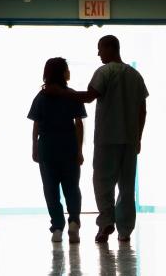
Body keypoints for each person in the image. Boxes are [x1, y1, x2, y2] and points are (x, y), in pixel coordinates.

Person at [45, 36, 148, 244]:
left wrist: (61, 92)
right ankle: (125, 231)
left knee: (102, 182)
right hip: (129, 139)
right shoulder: (135, 75)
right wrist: (138, 137)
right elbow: (142, 110)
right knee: (127, 186)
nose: (98, 53)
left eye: (100, 49)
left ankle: (106, 223)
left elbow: (89, 97)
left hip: (107, 137)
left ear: (110, 48)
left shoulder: (105, 71)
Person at [28, 57, 86, 244]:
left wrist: (34, 147)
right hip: (68, 147)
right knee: (72, 188)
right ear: (62, 73)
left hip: (47, 148)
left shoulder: (41, 97)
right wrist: (79, 150)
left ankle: (57, 228)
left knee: (50, 190)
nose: (69, 72)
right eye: (67, 69)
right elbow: (78, 124)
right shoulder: (72, 96)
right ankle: (74, 223)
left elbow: (36, 125)